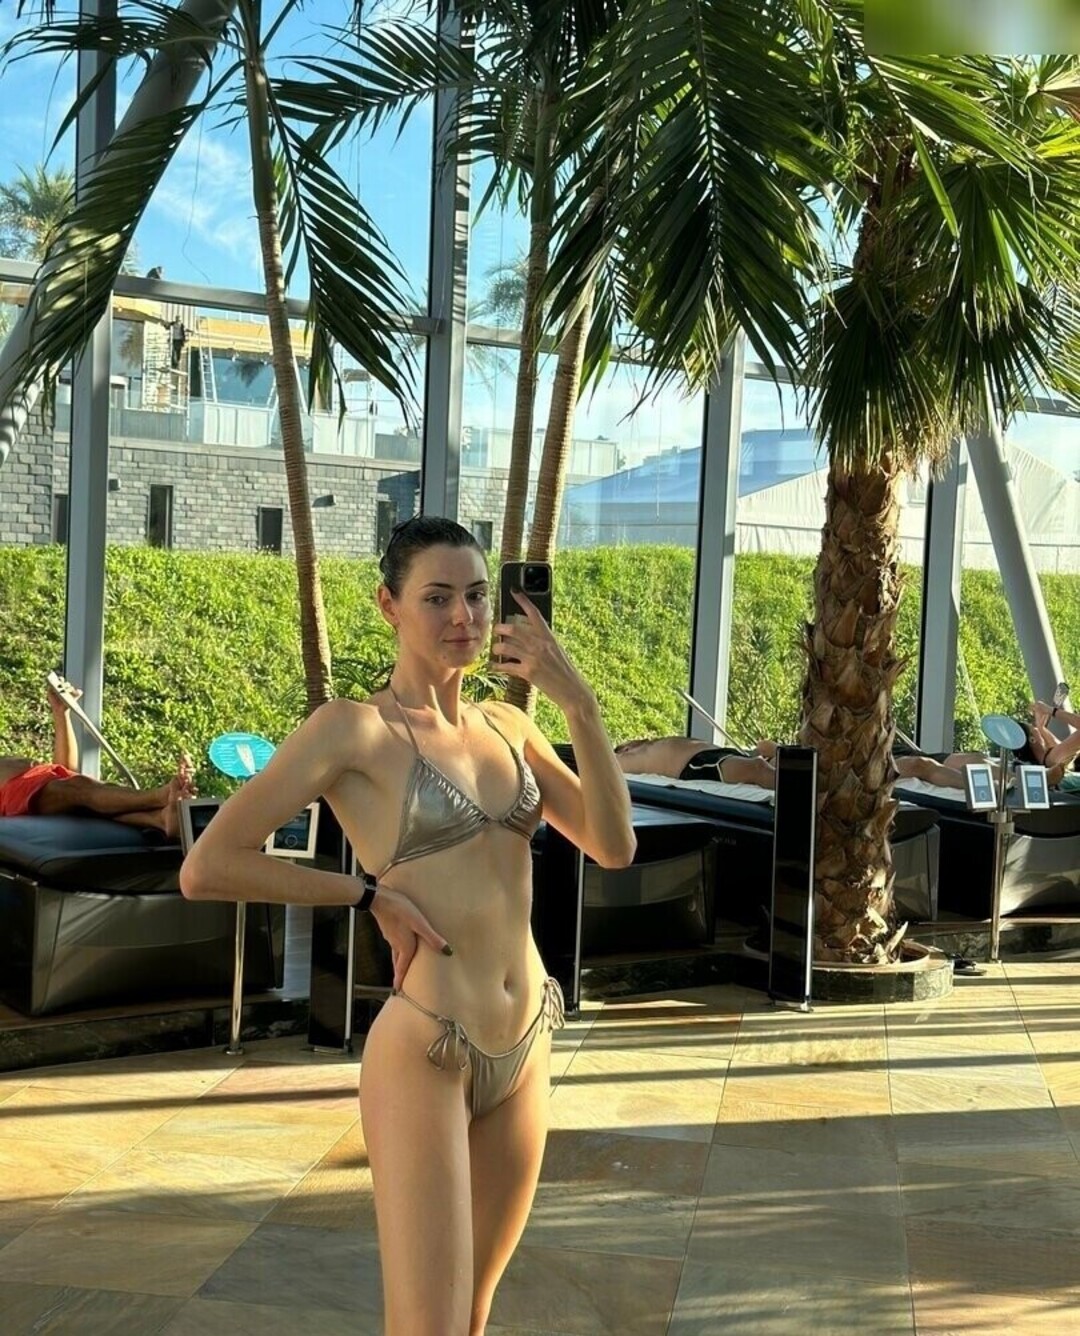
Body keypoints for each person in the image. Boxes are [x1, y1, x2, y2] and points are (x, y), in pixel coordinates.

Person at [179, 516, 636, 1336]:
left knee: (472, 1318)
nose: (464, 616)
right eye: (437, 597)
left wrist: (579, 703)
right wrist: (365, 896)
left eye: (477, 596)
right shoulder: (353, 731)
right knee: (427, 1326)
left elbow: (613, 844)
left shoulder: (509, 727)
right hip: (428, 1049)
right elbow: (207, 865)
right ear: (388, 605)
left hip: (526, 1041)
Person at [0, 678, 195, 834]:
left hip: (35, 785)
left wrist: (61, 713)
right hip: (14, 794)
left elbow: (66, 772)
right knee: (79, 789)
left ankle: (161, 819)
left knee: (88, 799)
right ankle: (159, 796)